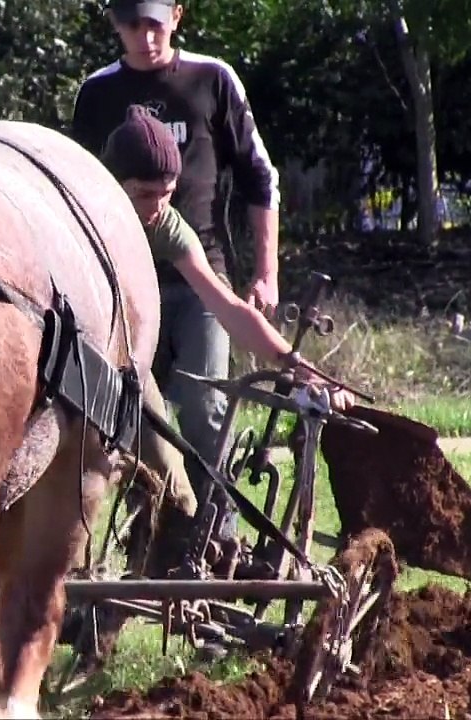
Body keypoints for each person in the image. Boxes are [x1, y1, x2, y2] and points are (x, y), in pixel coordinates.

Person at [101, 106, 354, 572]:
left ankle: (198, 560)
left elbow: (229, 309)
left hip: (120, 362)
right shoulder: (86, 214)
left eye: (167, 194)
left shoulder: (165, 226)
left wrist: (298, 368)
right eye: (144, 194)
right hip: (66, 355)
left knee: (169, 468)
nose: (156, 206)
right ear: (111, 182)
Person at [70, 0, 282, 555]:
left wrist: (292, 361)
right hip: (114, 291)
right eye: (132, 23)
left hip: (192, 287)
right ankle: (146, 542)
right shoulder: (96, 99)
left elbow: (260, 183)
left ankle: (214, 544)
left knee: (205, 405)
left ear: (177, 17)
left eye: (155, 22)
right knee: (128, 421)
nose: (145, 36)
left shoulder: (211, 82)